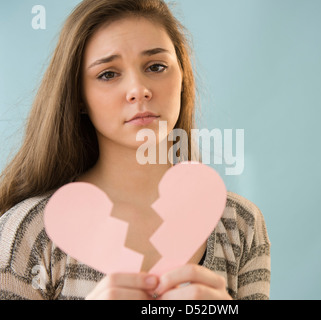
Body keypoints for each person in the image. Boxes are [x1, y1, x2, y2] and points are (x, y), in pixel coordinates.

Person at [0, 0, 271, 300]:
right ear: (78, 96)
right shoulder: (27, 233)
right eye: (108, 74)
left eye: (156, 67)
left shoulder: (240, 223)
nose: (139, 89)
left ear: (183, 77)